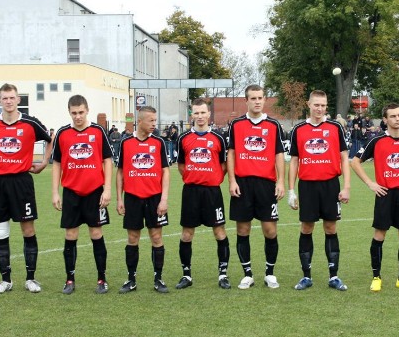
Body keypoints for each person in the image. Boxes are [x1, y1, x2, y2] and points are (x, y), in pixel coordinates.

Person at [0, 83, 52, 294]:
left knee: (28, 229)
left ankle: (31, 278)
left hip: (22, 181)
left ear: (19, 100)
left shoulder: (30, 123)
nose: (8, 101)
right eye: (4, 98)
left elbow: (49, 139)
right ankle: (5, 280)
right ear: (0, 101)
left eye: (12, 98)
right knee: (1, 231)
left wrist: (44, 162)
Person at [350, 102, 399, 292]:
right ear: (385, 120)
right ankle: (376, 277)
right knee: (379, 235)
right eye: (393, 116)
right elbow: (355, 162)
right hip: (385, 193)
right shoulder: (376, 141)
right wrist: (370, 183)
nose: (397, 119)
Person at [288, 90, 351, 291]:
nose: (320, 109)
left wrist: (346, 187)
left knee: (331, 228)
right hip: (307, 186)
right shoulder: (298, 129)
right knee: (306, 228)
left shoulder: (335, 128)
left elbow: (344, 158)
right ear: (309, 104)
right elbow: (294, 162)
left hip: (330, 185)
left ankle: (334, 276)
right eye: (316, 105)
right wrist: (291, 190)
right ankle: (306, 277)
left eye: (323, 105)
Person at [51, 95, 113, 295]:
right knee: (71, 234)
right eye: (74, 113)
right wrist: (55, 192)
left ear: (87, 110)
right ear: (69, 112)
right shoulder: (62, 133)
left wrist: (107, 189)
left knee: (96, 233)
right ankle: (70, 279)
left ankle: (102, 279)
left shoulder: (97, 131)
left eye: (81, 112)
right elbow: (57, 164)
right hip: (71, 192)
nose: (78, 116)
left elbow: (108, 160)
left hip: (94, 192)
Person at [227, 84, 286, 289]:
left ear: (264, 99)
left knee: (270, 230)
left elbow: (279, 154)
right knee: (243, 230)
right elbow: (231, 154)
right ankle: (248, 274)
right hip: (242, 183)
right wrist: (232, 181)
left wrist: (280, 181)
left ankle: (270, 273)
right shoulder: (236, 124)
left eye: (260, 98)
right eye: (253, 98)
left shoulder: (273, 125)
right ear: (246, 101)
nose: (257, 101)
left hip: (266, 184)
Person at [175, 97, 231, 289]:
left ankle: (223, 274)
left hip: (212, 192)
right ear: (192, 115)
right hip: (190, 191)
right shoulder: (183, 138)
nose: (199, 116)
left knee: (219, 231)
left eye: (203, 112)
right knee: (187, 234)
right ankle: (186, 275)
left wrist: (213, 178)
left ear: (209, 114)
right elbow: (181, 166)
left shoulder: (219, 138)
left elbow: (224, 165)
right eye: (196, 113)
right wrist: (194, 177)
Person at [116, 106, 170, 293]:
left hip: (154, 198)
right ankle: (131, 279)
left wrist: (164, 199)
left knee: (156, 237)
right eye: (151, 121)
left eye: (156, 120)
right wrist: (119, 198)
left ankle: (158, 279)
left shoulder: (159, 143)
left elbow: (165, 171)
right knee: (133, 238)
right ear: (140, 121)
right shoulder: (125, 143)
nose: (154, 124)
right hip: (132, 198)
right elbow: (120, 172)